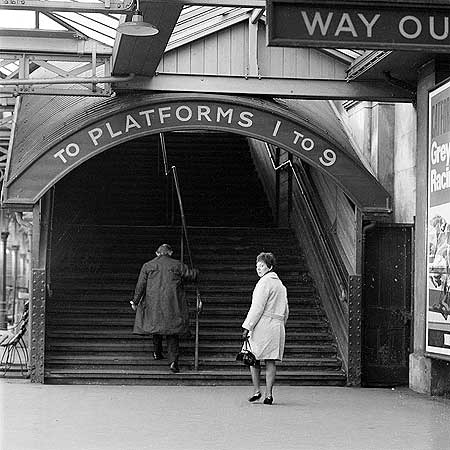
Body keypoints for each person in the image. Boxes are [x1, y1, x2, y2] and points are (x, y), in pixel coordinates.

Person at [130, 243, 199, 373]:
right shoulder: (177, 264)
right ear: (170, 253)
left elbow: (140, 285)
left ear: (157, 253)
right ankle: (173, 362)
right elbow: (190, 275)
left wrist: (135, 301)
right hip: (172, 303)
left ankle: (157, 352)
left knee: (156, 325)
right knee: (172, 332)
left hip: (153, 303)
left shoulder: (148, 265)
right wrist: (196, 272)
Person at [242, 252, 289, 405]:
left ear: (269, 266)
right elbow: (286, 310)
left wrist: (247, 326)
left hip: (263, 325)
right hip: (277, 325)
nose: (259, 269)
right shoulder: (281, 285)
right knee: (270, 361)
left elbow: (257, 307)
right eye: (257, 266)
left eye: (261, 265)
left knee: (253, 357)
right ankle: (269, 394)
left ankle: (257, 390)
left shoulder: (263, 283)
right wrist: (281, 324)